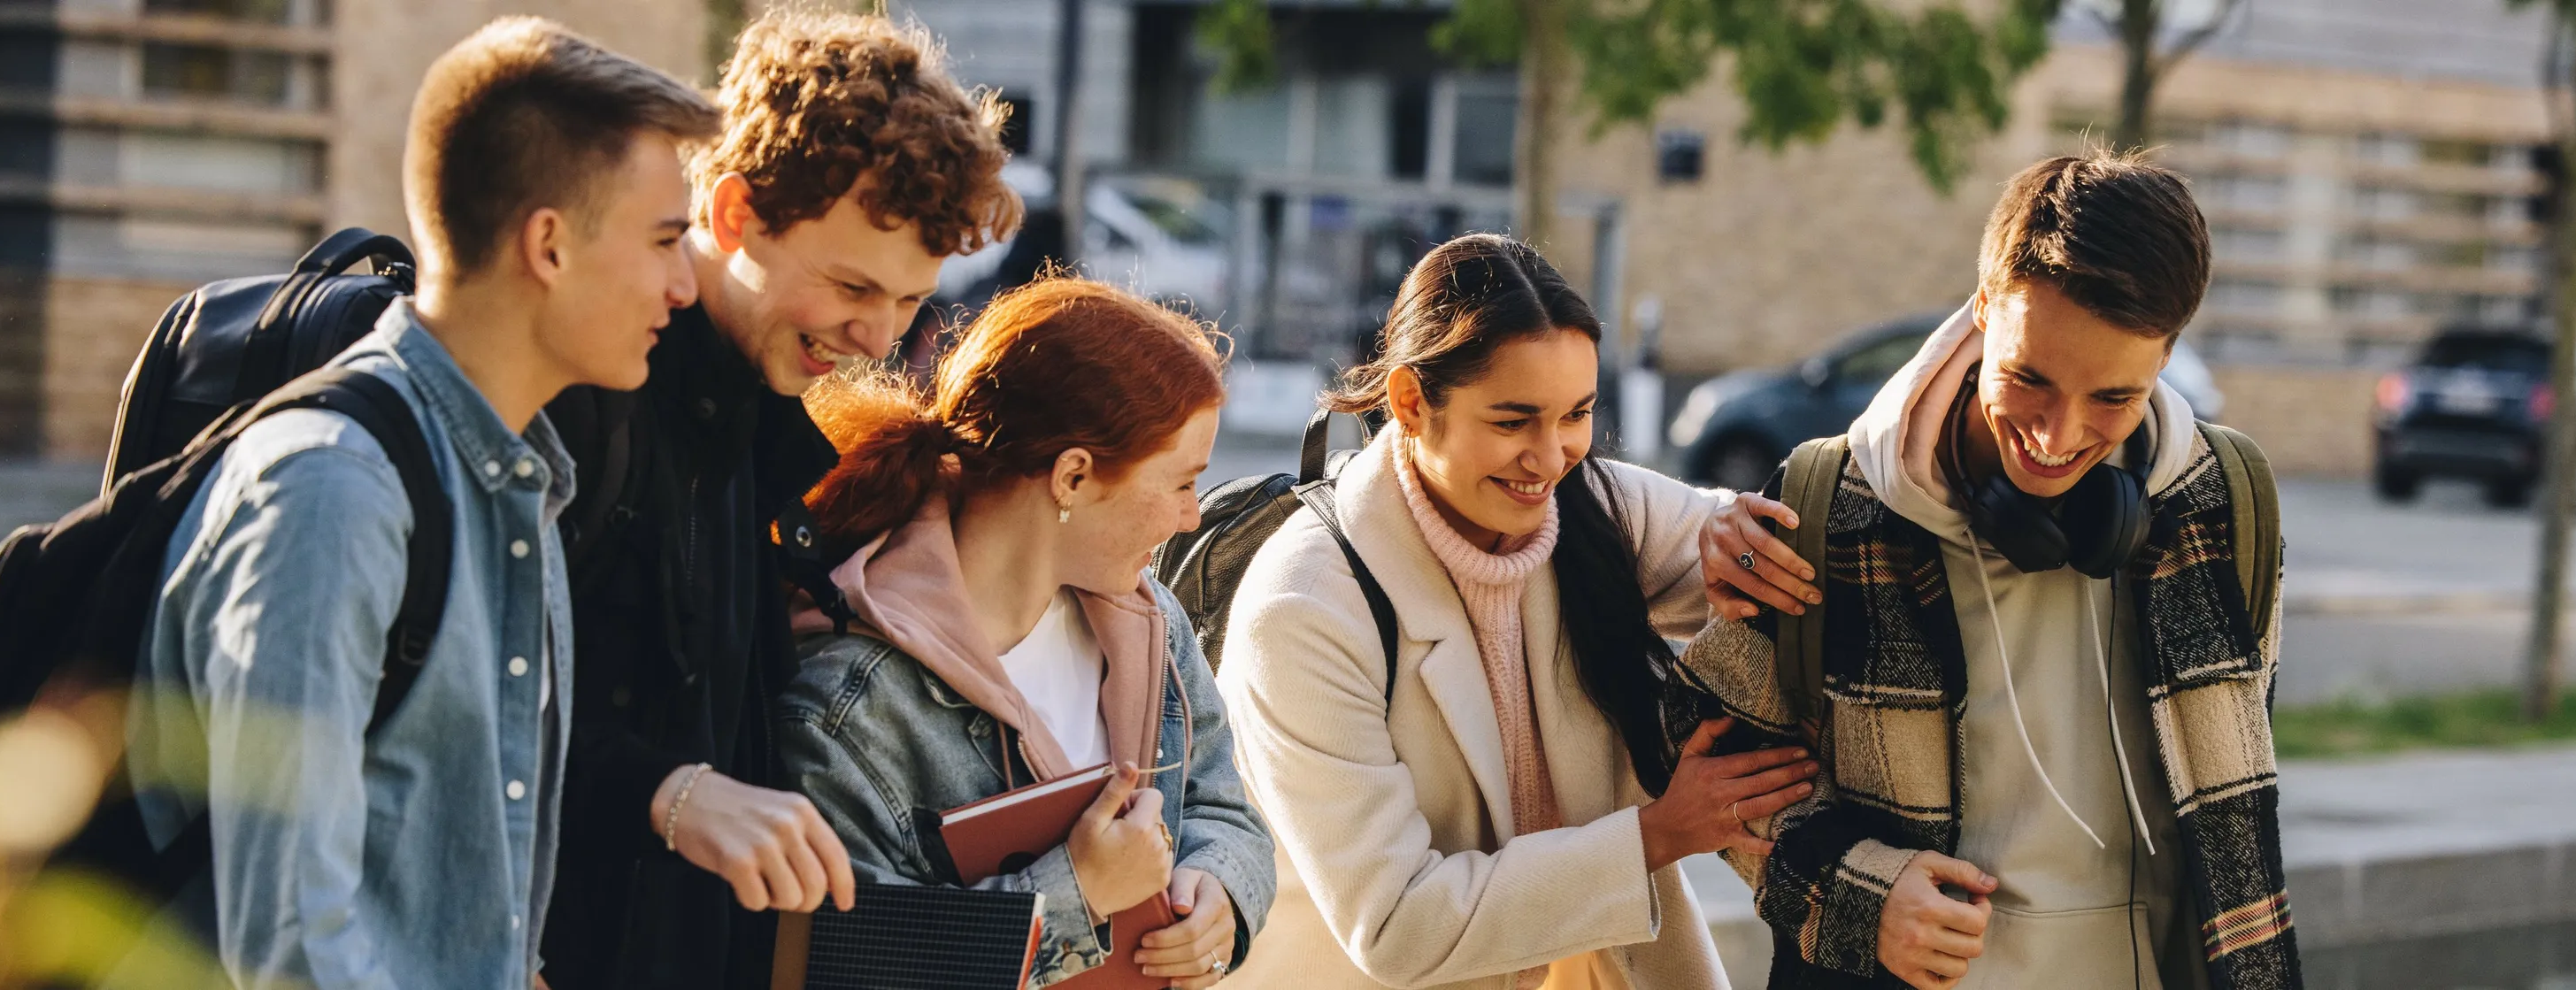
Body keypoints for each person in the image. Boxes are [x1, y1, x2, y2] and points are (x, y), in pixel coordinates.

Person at [123, 18, 716, 988]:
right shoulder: (329, 493)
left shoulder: (525, 484)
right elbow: (290, 949)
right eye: (664, 240)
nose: (684, 285)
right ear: (550, 246)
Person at [1681, 150, 2300, 990]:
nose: (2057, 434)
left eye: (2112, 399)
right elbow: (1702, 752)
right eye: (2028, 378)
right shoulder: (1832, 505)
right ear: (1981, 313)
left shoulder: (2230, 502)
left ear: (2167, 356)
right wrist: (1857, 897)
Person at [535, 10, 1023, 988]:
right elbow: (472, 724)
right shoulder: (581, 400)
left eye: (909, 301)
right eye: (851, 284)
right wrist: (670, 795)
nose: (880, 337)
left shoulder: (751, 426)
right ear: (731, 216)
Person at [1211, 234, 1819, 990]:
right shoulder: (1304, 607)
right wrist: (1656, 836)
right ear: (1409, 402)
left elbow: (1804, 540)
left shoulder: (1598, 506)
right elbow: (1398, 924)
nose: (1552, 456)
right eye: (1511, 421)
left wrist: (1738, 536)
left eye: (1577, 413)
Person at [777, 277, 1274, 989]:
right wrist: (1075, 895)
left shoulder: (1151, 622)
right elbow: (833, 963)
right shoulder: (850, 705)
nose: (1193, 517)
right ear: (1072, 477)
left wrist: (1221, 891)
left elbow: (1224, 808)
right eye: (1181, 482)